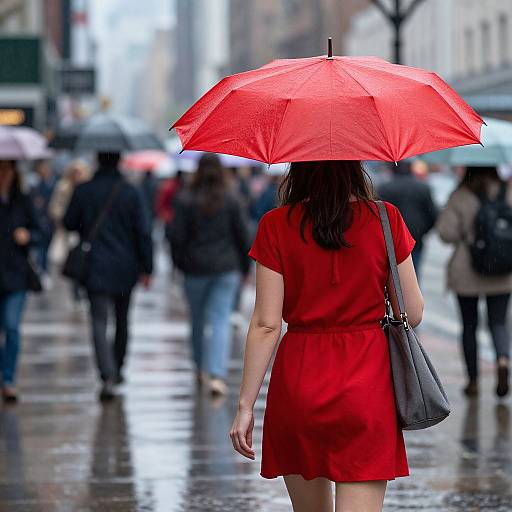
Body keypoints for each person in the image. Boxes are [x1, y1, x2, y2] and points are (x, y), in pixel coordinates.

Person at [230, 161, 423, 512]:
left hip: (300, 383)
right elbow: (413, 311)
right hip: (367, 383)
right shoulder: (385, 218)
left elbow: (266, 324)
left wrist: (245, 406)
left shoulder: (275, 225)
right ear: (354, 167)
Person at [64, 152, 153, 401]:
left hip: (95, 266)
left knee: (99, 321)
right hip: (126, 267)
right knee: (122, 320)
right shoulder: (131, 192)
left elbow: (69, 222)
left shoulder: (84, 190)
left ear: (97, 160)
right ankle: (118, 367)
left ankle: (107, 374)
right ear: (119, 161)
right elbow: (143, 232)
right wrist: (148, 267)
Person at [171, 154, 251, 397]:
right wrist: (244, 268)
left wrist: (180, 265)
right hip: (226, 269)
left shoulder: (186, 200)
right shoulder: (232, 199)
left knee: (197, 321)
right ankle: (217, 374)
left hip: (195, 269)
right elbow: (242, 237)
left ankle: (199, 367)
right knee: (220, 320)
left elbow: (176, 238)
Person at [437, 166, 511, 398]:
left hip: (467, 269)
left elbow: (445, 233)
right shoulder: (507, 192)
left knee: (469, 326)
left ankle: (473, 381)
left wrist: (467, 233)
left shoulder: (460, 195)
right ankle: (502, 360)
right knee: (498, 321)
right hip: (502, 269)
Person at [0, 160, 42, 402]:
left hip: (16, 275)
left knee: (12, 326)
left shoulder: (23, 201)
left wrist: (28, 236)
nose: (3, 175)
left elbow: (40, 230)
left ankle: (8, 379)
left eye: (7, 169)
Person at [378, 161, 438, 277]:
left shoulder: (385, 188)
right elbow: (432, 215)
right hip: (416, 238)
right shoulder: (423, 188)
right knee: (413, 275)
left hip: (390, 240)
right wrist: (423, 231)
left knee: (392, 277)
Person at [49, 159, 91, 304]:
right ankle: (76, 289)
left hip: (86, 231)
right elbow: (55, 208)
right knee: (74, 259)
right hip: (69, 230)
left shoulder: (87, 188)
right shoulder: (63, 187)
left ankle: (82, 287)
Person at [30, 159, 57, 280]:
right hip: (39, 220)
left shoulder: (53, 184)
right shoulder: (36, 185)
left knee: (46, 247)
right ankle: (41, 269)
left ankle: (44, 268)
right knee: (41, 247)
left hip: (49, 220)